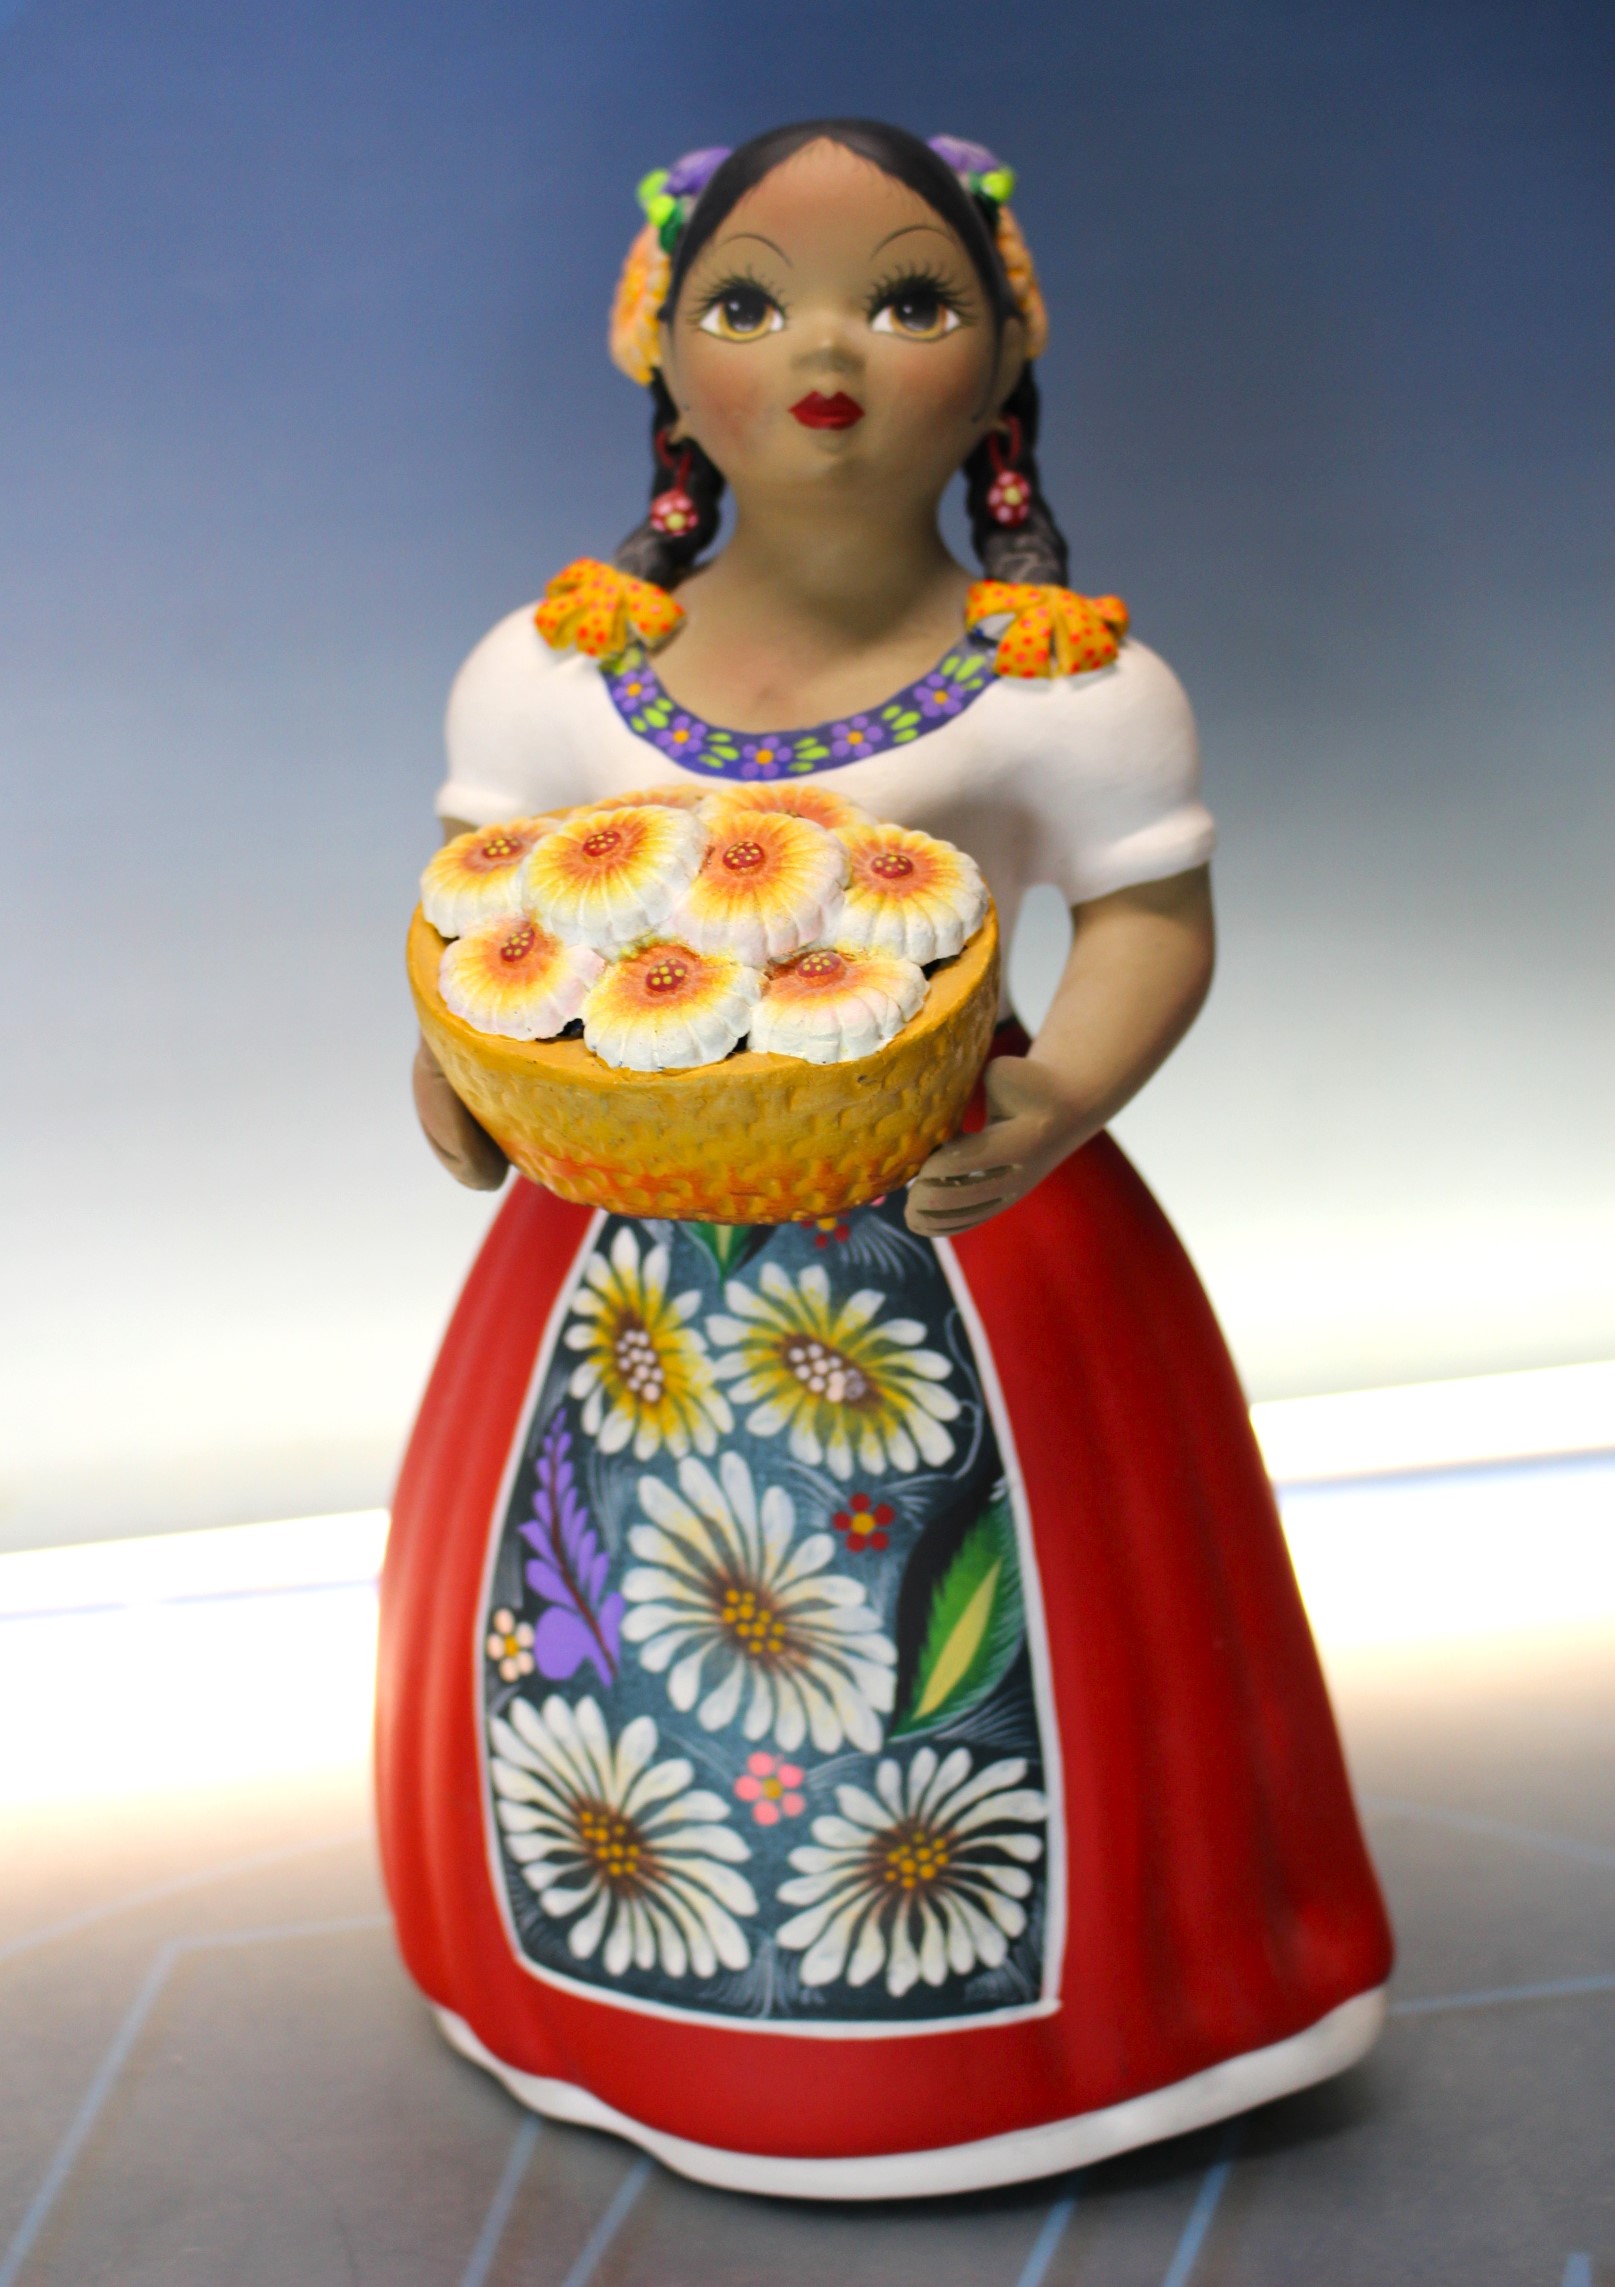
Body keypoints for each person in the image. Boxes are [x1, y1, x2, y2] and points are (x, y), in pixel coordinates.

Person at [378, 120, 1392, 2201]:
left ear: (1007, 346)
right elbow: (488, 911)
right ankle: (601, 1992)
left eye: (907, 297)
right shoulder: (555, 669)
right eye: (750, 299)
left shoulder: (1070, 686)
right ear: (655, 342)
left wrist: (1063, 1093)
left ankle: (1047, 2029)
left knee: (998, 1641)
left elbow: (1149, 922)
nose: (823, 350)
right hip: (619, 1255)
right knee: (596, 1615)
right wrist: (461, 1063)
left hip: (961, 1227)